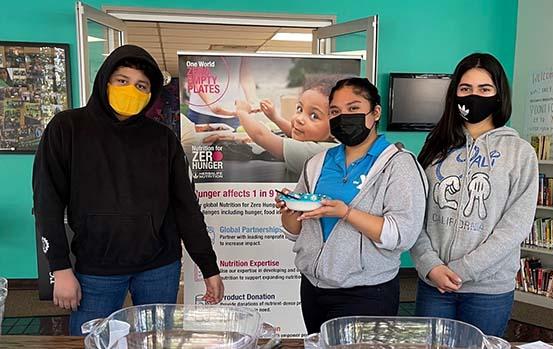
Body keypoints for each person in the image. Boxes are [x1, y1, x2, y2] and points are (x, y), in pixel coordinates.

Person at [32, 45, 224, 336]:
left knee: (157, 341)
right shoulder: (67, 128)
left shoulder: (163, 139)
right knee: (92, 342)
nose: (130, 89)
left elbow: (185, 206)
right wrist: (59, 268)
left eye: (141, 85)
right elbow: (48, 202)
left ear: (149, 94)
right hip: (95, 269)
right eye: (122, 80)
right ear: (106, 80)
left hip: (159, 268)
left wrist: (208, 266)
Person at [276, 77, 428, 334]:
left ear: (375, 112)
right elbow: (293, 230)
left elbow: (402, 235)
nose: (343, 116)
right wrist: (290, 209)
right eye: (335, 111)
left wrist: (346, 213)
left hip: (367, 292)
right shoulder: (318, 162)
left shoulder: (398, 165)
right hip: (313, 288)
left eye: (354, 108)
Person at [410, 53, 538, 337]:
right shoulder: (436, 146)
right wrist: (431, 266)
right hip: (434, 283)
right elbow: (414, 213)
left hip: (488, 290)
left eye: (484, 89)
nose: (473, 96)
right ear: (454, 93)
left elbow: (515, 225)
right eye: (465, 89)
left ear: (498, 95)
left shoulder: (520, 153)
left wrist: (462, 271)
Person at [234, 75, 340, 175]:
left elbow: (261, 136)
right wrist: (275, 117)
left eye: (314, 116)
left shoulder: (321, 153)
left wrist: (242, 112)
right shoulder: (332, 140)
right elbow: (295, 131)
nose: (299, 119)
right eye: (300, 109)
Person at [186, 56, 257, 128]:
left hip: (234, 114)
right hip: (201, 114)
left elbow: (246, 71)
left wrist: (253, 101)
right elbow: (196, 70)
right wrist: (212, 103)